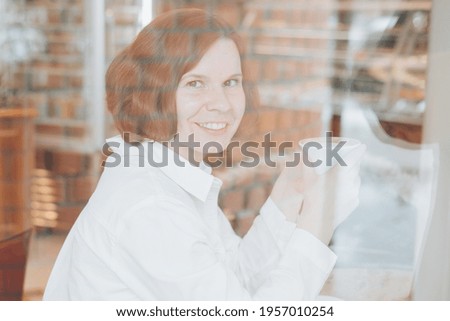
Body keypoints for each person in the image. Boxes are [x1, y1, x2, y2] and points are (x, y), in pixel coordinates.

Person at [43, 8, 364, 300]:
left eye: (231, 82)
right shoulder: (151, 208)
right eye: (196, 83)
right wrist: (315, 227)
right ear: (152, 92)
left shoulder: (170, 172)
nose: (222, 103)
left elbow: (234, 278)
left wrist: (287, 200)